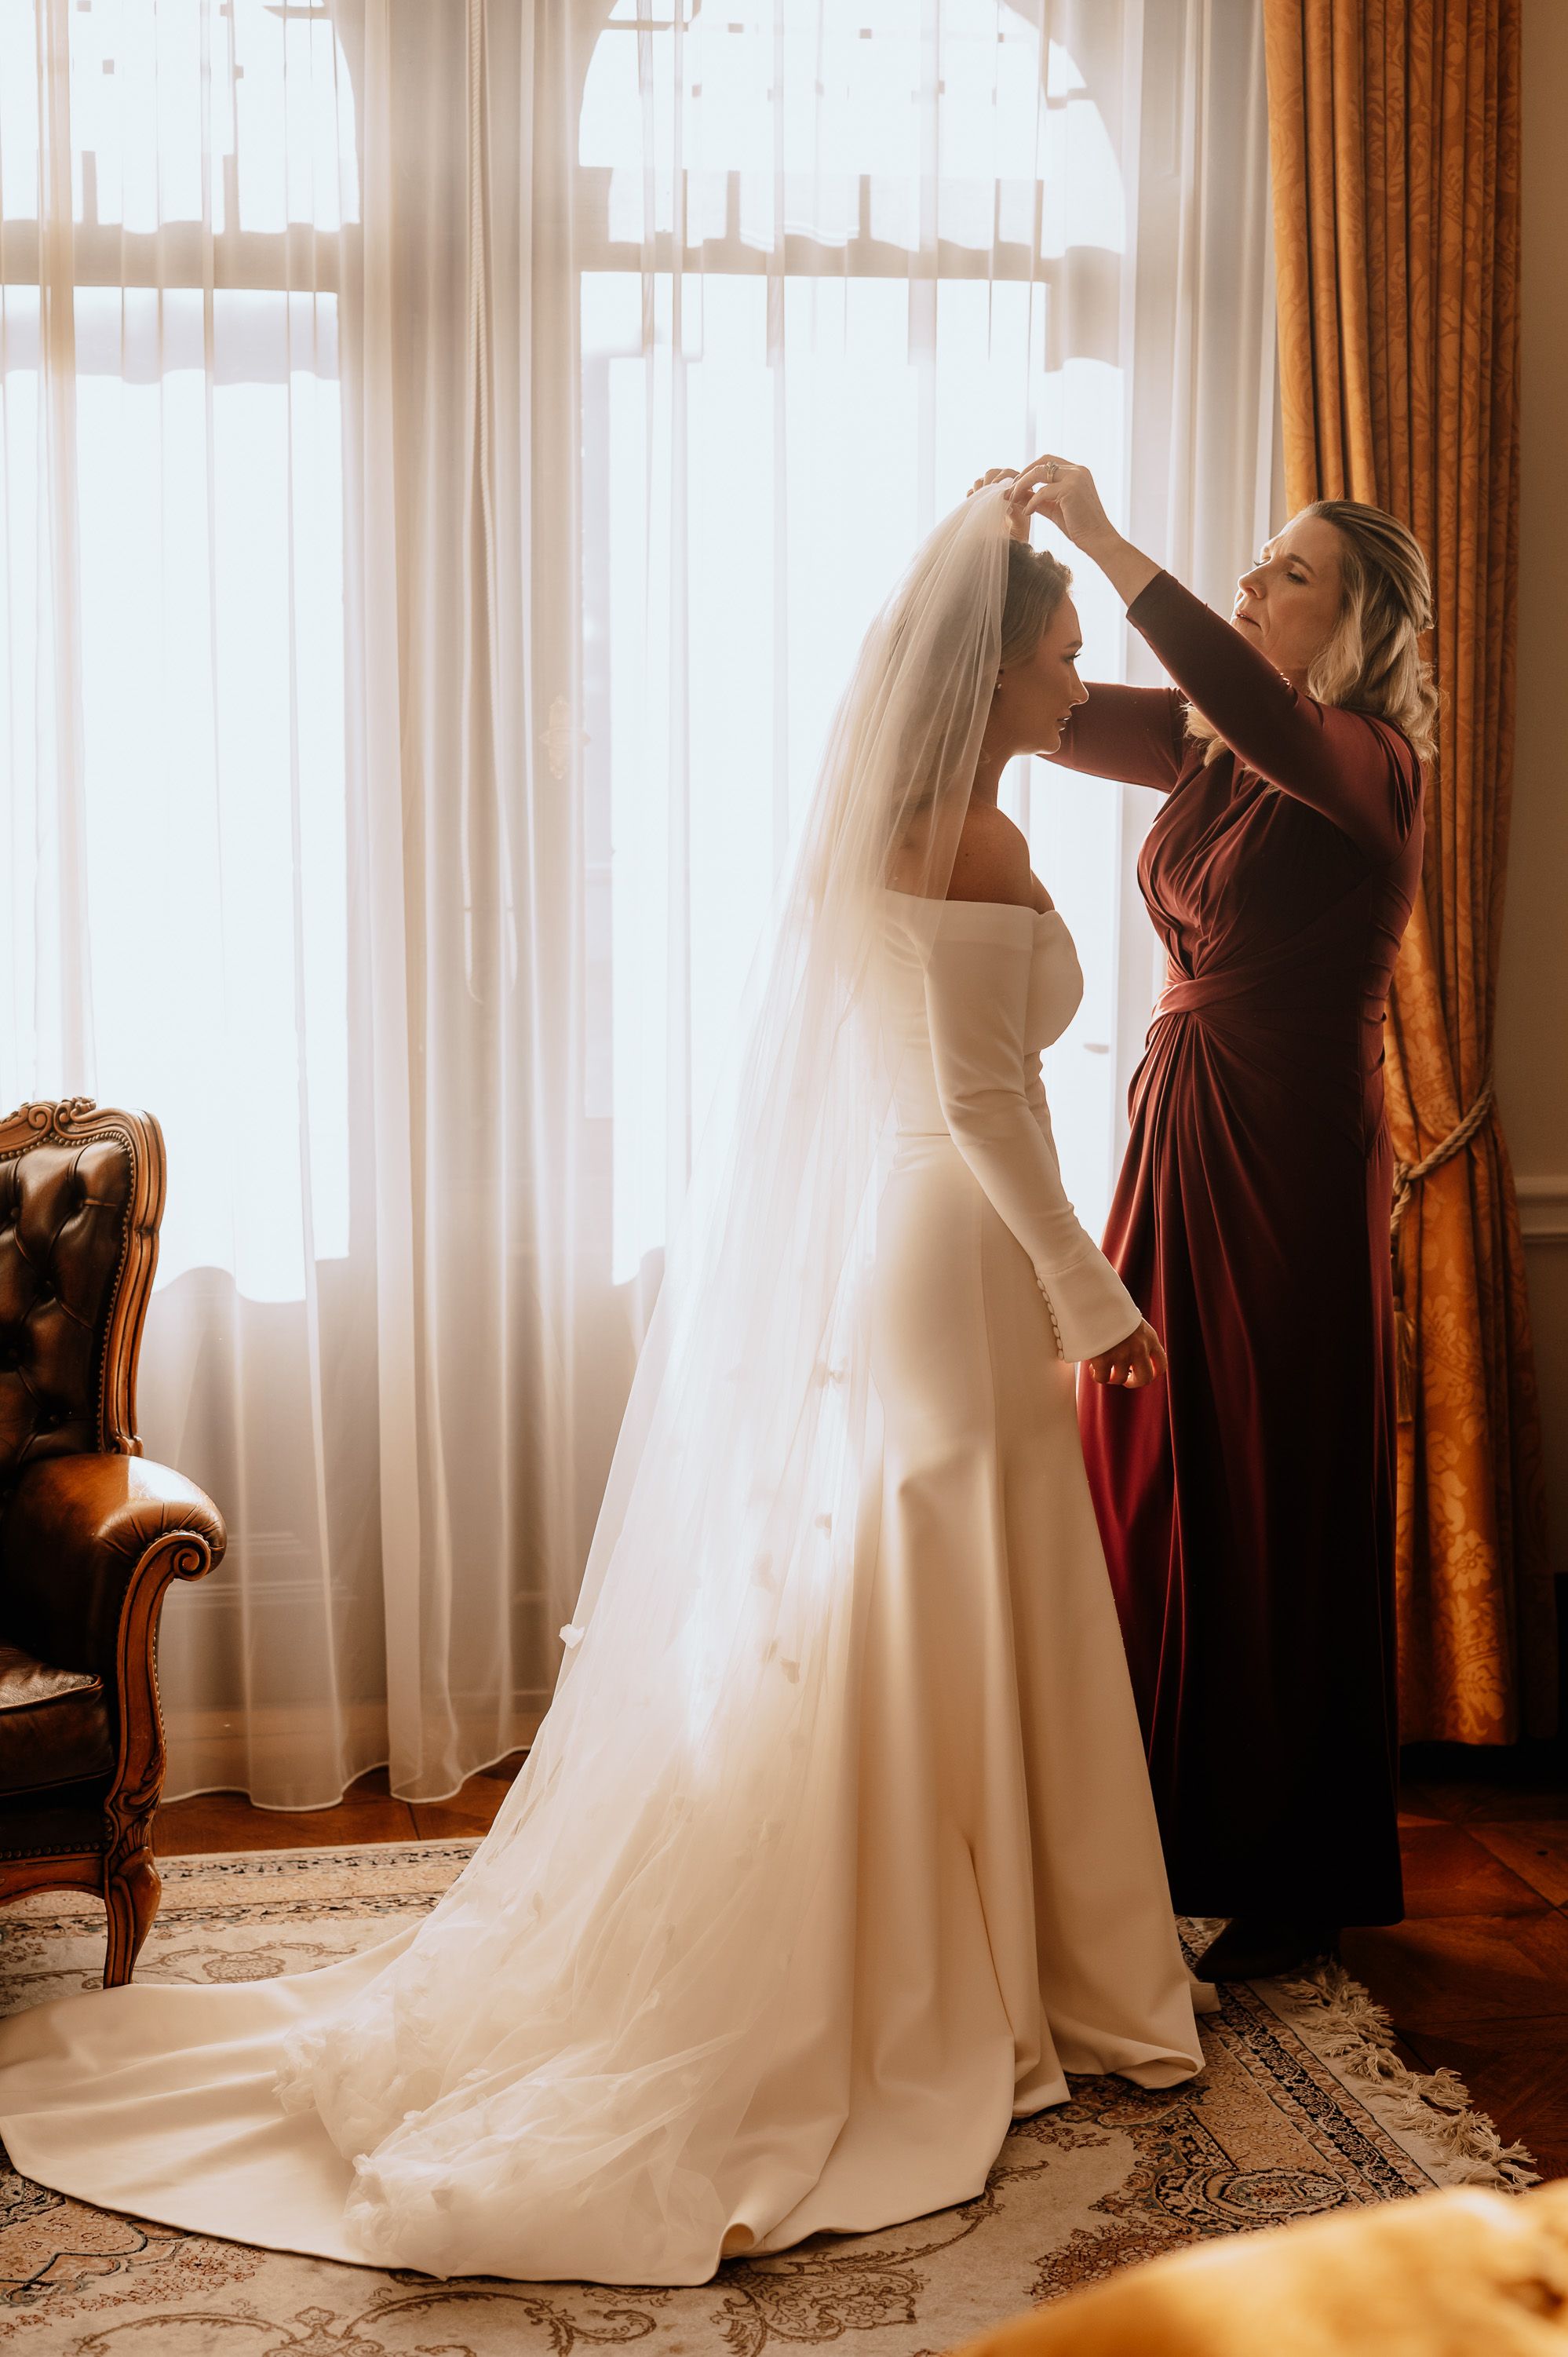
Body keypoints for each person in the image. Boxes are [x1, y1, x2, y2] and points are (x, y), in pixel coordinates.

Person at [0, 487, 1209, 2288]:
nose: (1079, 679)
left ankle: (996, 1943)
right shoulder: (975, 842)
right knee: (961, 1587)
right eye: (1060, 651)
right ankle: (982, 1963)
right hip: (961, 1242)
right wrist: (1094, 1291)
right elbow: (980, 1105)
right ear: (993, 666)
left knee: (927, 1592)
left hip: (918, 1243)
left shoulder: (906, 821)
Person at [970, 456, 1432, 1982]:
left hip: (1293, 1154)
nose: (1250, 584)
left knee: (1271, 1474)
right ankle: (1165, 1821)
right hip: (1182, 1125)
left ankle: (1293, 1872)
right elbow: (1035, 708)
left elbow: (1248, 694)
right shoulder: (1216, 751)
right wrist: (991, 570)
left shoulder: (1367, 762)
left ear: (1360, 623)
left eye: (1287, 573)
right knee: (1158, 1459)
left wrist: (1105, 537)